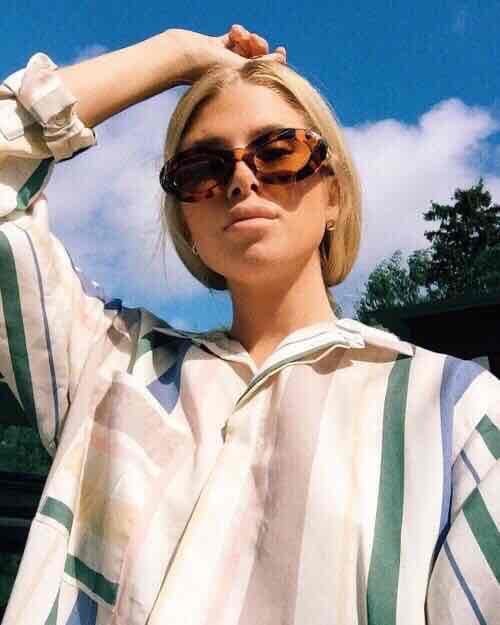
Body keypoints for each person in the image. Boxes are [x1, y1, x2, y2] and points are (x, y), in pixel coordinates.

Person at [0, 24, 499, 625]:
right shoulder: (106, 366)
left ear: (334, 194)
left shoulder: (457, 412)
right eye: (200, 168)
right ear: (185, 218)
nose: (241, 179)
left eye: (279, 151)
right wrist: (174, 55)